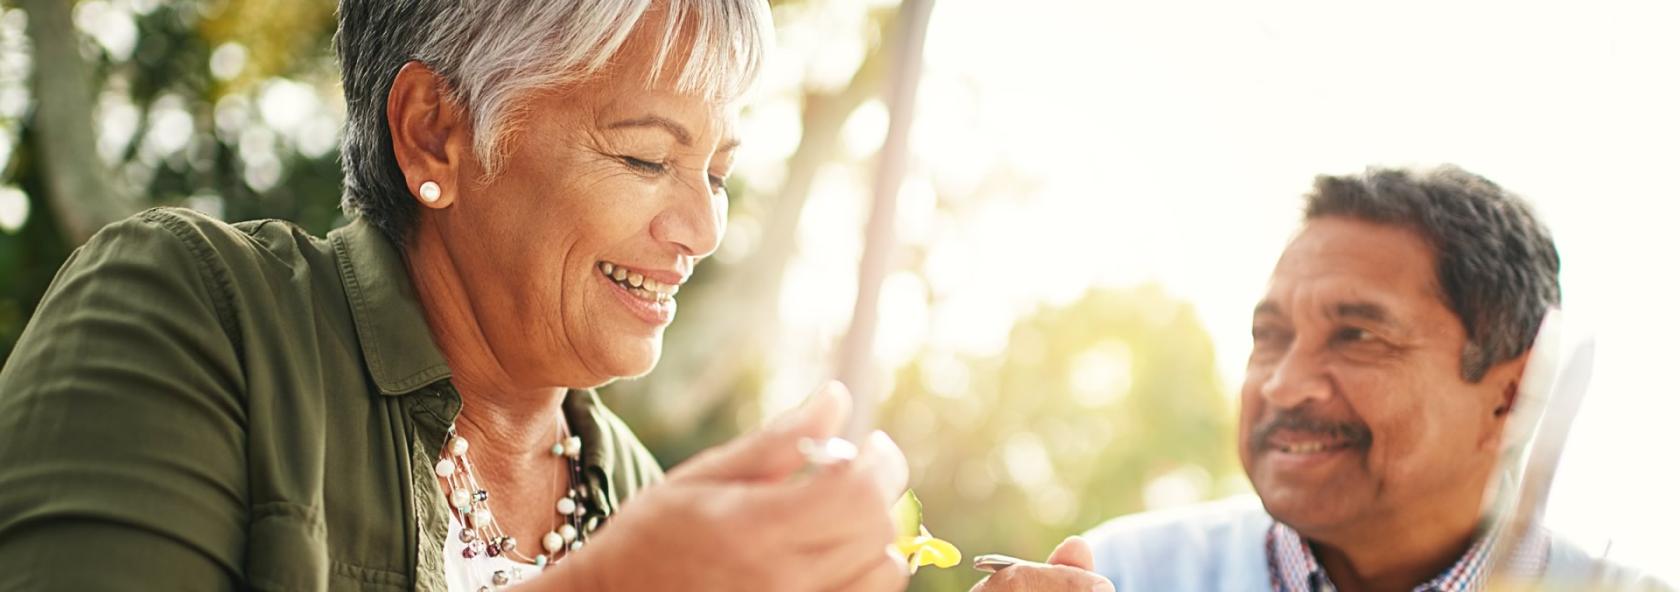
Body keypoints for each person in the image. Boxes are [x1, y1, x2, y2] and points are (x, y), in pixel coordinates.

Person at [0, 1, 911, 590]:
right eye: (645, 157)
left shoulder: (641, 496)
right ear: (436, 133)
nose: (703, 229)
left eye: (714, 173)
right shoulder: (194, 315)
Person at [971, 165, 1673, 591]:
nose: (1282, 385)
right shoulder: (1117, 576)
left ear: (1511, 395)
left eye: (1357, 336)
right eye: (1268, 336)